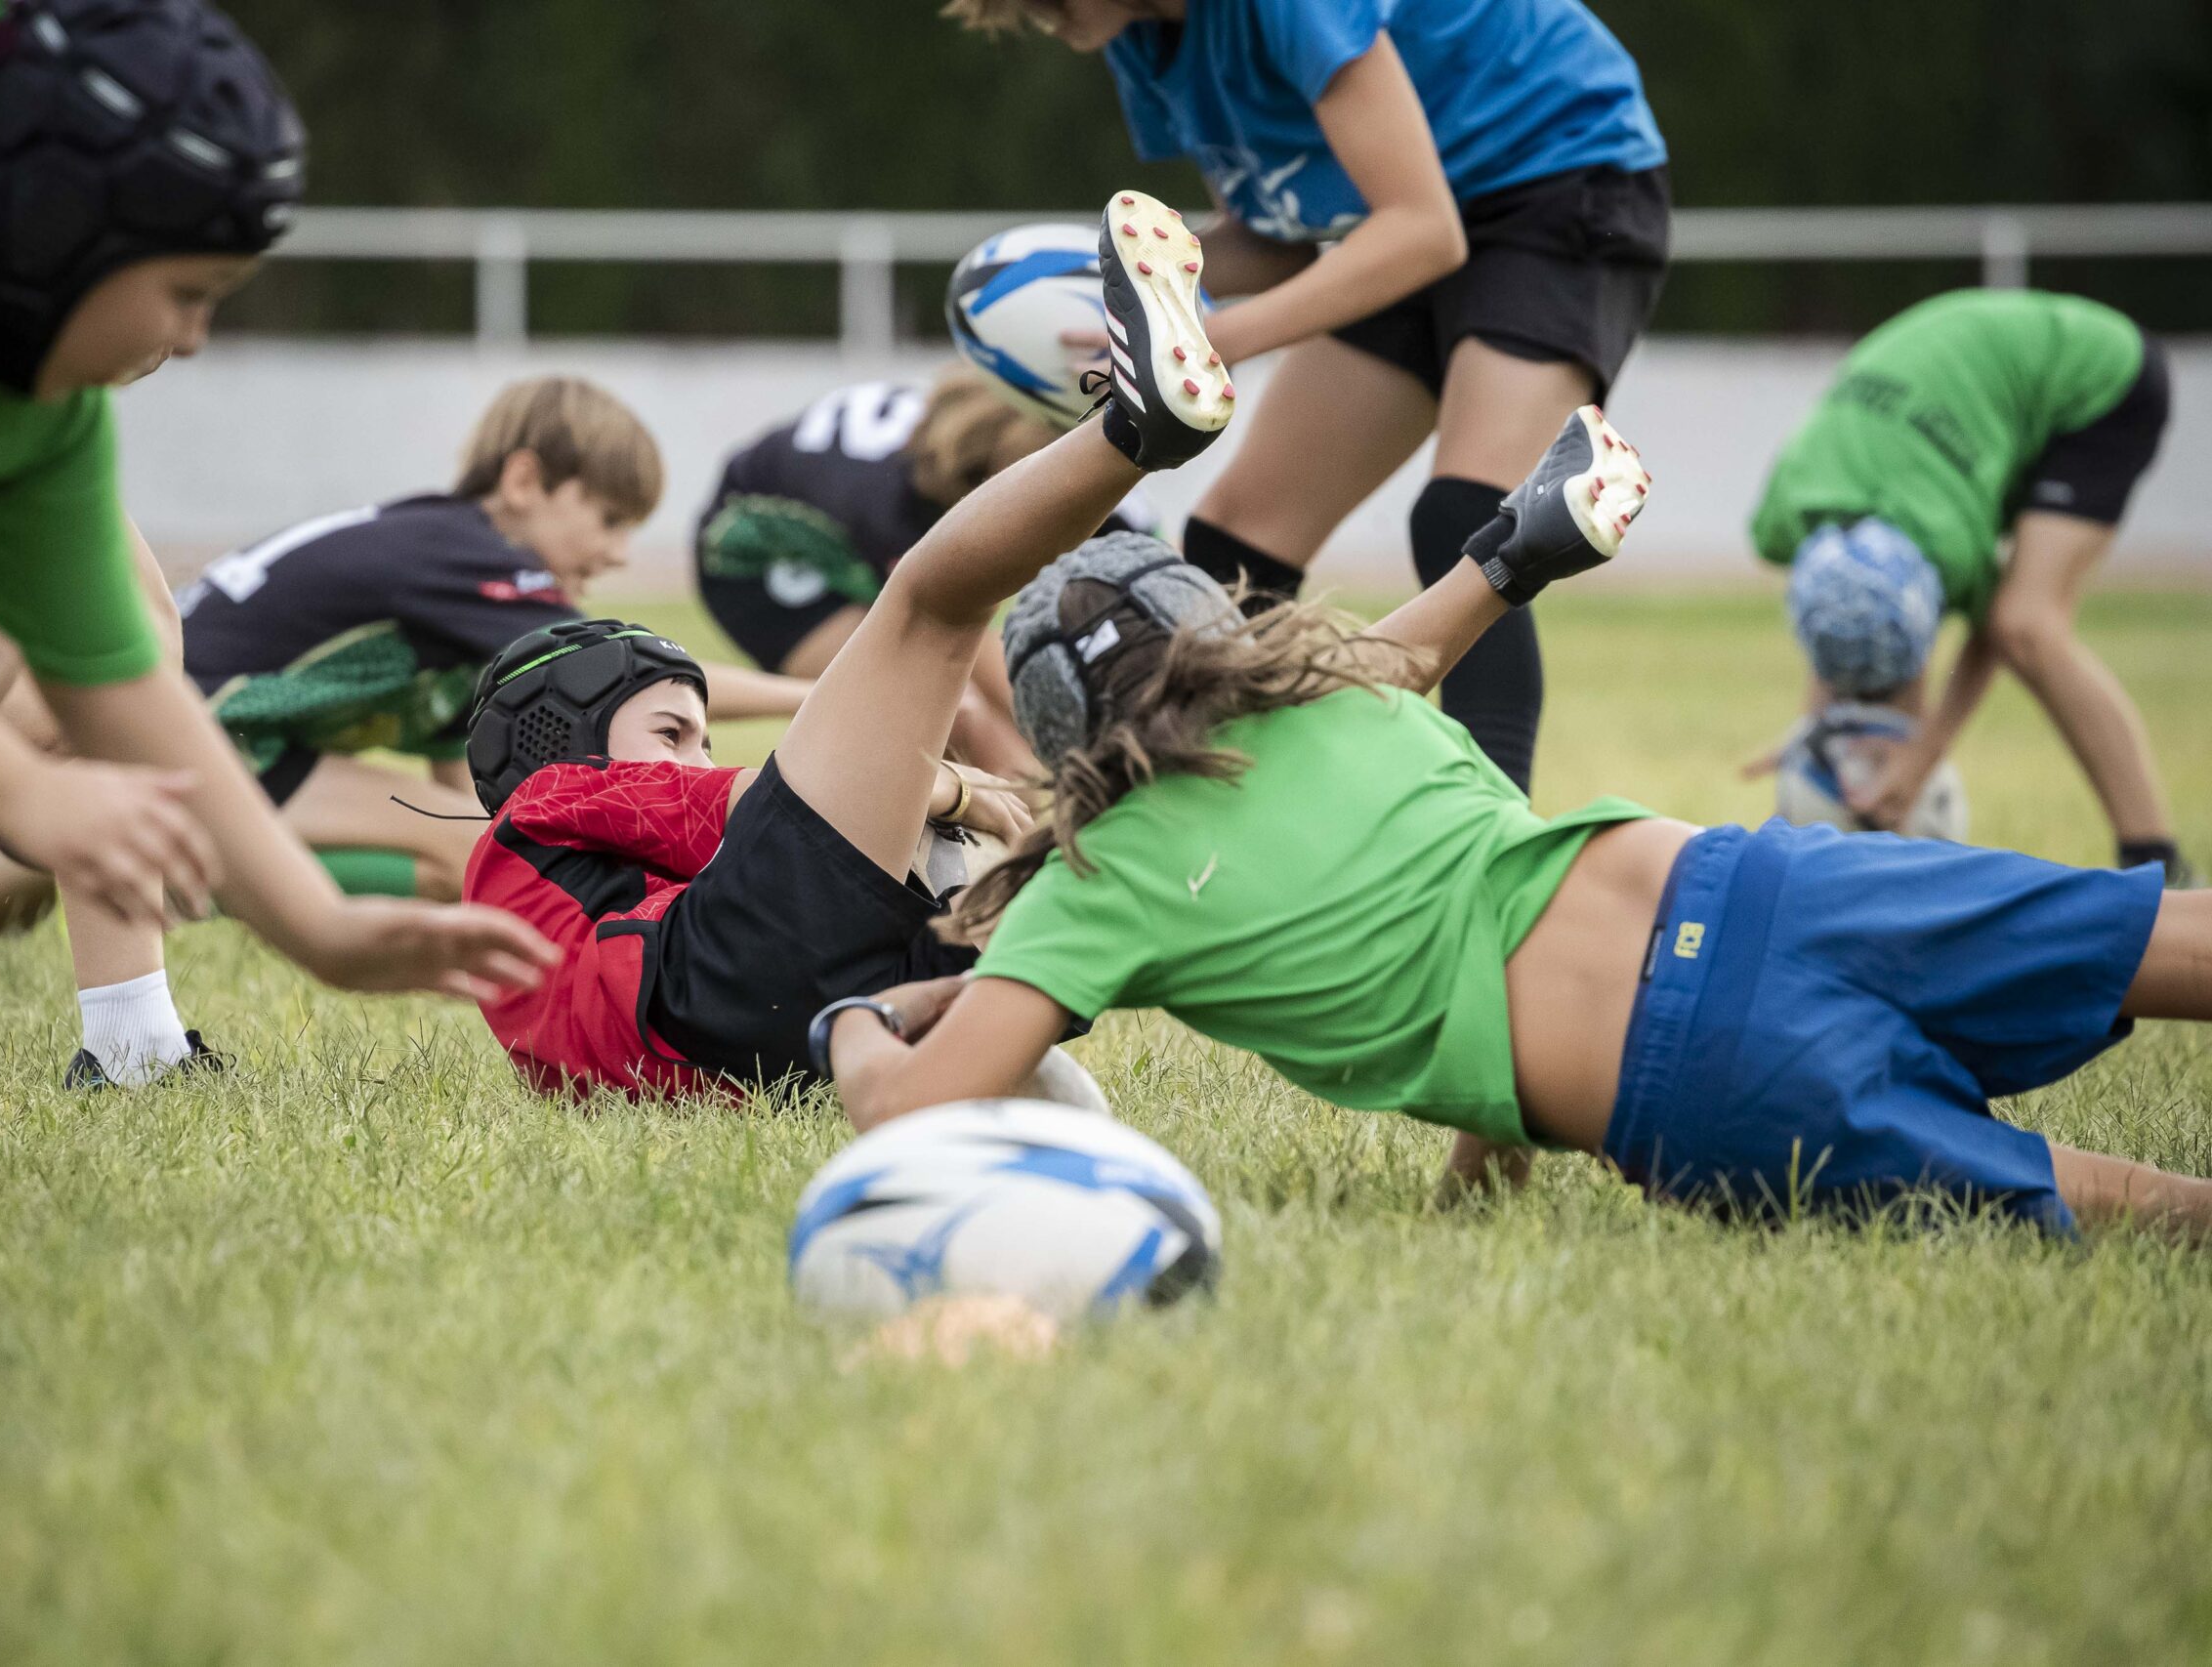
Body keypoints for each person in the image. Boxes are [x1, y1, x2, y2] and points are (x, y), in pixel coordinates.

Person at [818, 408, 2212, 1244]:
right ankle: (1517, 540)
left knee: (2123, 1201)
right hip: (1756, 879)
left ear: (1067, 742)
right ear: (1215, 628)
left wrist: (855, 1022)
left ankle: (1517, 545)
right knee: (2158, 935)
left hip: (1704, 1073)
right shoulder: (1345, 701)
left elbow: (919, 1110)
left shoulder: (1099, 878)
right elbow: (1462, 867)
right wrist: (1502, 559)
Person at [0, 0, 553, 1241]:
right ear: (62, 219)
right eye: (189, 291)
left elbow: (132, 696)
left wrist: (319, 929)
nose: (197, 339)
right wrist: (21, 787)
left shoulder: (27, 411)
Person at [464, 189, 1231, 1099]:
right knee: (930, 606)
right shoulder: (547, 798)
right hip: (716, 976)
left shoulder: (578, 922)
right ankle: (1132, 431)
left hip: (777, 1040)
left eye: (698, 739)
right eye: (673, 732)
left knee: (969, 898)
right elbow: (734, 802)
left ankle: (1059, 941)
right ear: (565, 735)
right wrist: (949, 785)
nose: (697, 756)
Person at [0, 376, 811, 959]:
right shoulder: (480, 560)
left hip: (181, 705)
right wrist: (820, 698)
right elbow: (636, 672)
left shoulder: (436, 556)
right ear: (528, 480)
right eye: (608, 518)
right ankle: (600, 980)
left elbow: (469, 766)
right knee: (473, 853)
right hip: (205, 724)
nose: (620, 550)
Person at [944, 0, 1669, 797]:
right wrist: (1131, 291)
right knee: (1234, 542)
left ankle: (1501, 859)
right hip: (1401, 216)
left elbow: (1424, 231)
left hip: (1556, 170)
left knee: (1464, 517)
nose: (1027, 15)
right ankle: (1258, 816)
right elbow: (1279, 238)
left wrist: (1210, 338)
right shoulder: (1142, 41)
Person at [1747, 289, 2191, 884]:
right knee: (1894, 643)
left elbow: (1991, 630)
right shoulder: (1785, 511)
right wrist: (1818, 733)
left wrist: (1919, 760)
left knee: (2026, 625)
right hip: (1952, 409)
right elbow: (1841, 611)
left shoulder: (1946, 536)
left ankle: (2158, 860)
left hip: (2099, 377)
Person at [697, 367, 1154, 774]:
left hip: (846, 519)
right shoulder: (889, 506)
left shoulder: (969, 427)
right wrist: (1085, 743)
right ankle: (1028, 838)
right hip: (761, 567)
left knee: (994, 719)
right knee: (954, 715)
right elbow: (955, 627)